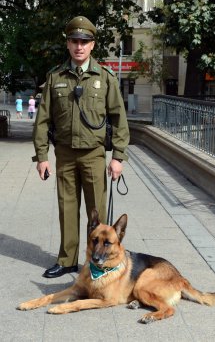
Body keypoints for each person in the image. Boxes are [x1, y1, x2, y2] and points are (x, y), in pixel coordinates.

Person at [32, 16, 130, 278]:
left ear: (92, 45)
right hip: (64, 153)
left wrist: (118, 156)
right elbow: (42, 120)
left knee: (96, 213)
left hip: (94, 155)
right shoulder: (55, 77)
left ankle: (97, 262)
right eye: (74, 41)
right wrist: (42, 157)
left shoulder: (105, 78)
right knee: (66, 208)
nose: (79, 46)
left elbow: (119, 118)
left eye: (84, 42)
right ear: (68, 44)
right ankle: (67, 261)